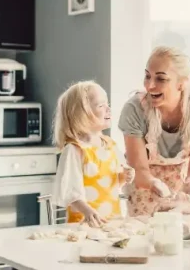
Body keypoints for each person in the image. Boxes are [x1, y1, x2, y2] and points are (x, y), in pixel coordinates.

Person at [120, 46, 190, 217]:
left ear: (182, 82)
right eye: (147, 76)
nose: (150, 85)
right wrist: (155, 184)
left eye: (161, 79)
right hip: (144, 194)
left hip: (184, 199)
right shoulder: (134, 109)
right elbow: (139, 170)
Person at [52, 81, 135, 227]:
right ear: (81, 115)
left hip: (111, 223)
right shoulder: (74, 150)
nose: (108, 109)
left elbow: (113, 182)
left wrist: (124, 176)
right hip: (83, 225)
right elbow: (71, 193)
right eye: (101, 105)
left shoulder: (110, 145)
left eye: (107, 104)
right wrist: (89, 212)